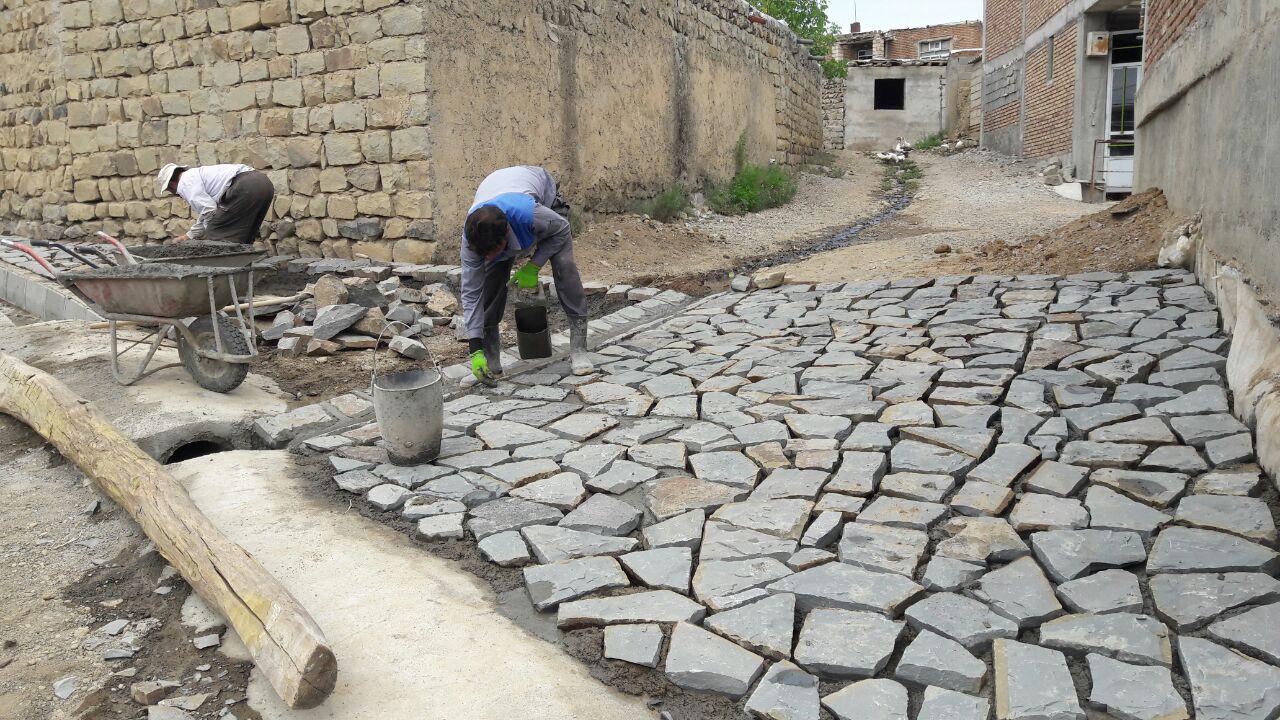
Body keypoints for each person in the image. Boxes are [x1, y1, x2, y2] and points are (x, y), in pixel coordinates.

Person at [461, 166, 592, 383]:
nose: (486, 258)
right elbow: (471, 293)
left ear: (505, 236)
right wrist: (475, 348)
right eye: (482, 255)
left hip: (545, 203)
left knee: (564, 266)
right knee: (489, 284)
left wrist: (534, 266)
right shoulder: (472, 239)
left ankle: (579, 349)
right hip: (500, 189)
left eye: (492, 252)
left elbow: (561, 229)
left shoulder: (531, 215)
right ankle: (490, 362)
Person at [155, 163, 275, 244]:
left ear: (171, 184)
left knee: (216, 230)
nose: (175, 194)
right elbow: (206, 213)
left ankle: (226, 271)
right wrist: (189, 236)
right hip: (264, 183)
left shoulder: (184, 183)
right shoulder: (196, 175)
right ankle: (244, 269)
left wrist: (211, 232)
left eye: (169, 191)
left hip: (245, 187)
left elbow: (209, 212)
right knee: (246, 234)